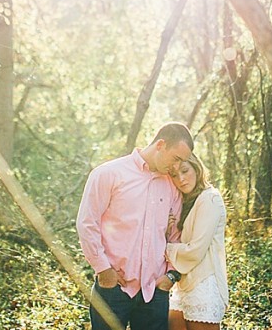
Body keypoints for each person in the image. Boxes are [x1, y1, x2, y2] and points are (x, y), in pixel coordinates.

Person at [77, 122, 195, 330]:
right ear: (161, 144)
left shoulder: (171, 185)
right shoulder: (108, 174)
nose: (177, 167)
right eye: (176, 159)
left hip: (154, 293)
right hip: (112, 289)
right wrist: (103, 269)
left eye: (182, 162)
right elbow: (87, 223)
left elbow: (176, 234)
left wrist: (170, 276)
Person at [165, 154, 228, 330]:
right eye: (175, 175)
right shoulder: (185, 201)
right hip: (183, 284)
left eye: (185, 171)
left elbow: (195, 250)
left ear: (197, 168)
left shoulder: (210, 198)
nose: (181, 179)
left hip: (203, 283)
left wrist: (165, 248)